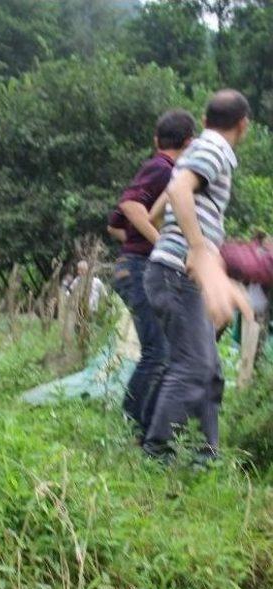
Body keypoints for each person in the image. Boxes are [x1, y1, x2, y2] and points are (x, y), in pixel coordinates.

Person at [143, 89, 253, 464]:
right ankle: (157, 452)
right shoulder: (215, 148)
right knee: (194, 367)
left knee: (210, 371)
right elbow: (176, 190)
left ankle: (206, 454)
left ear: (204, 120)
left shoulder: (194, 151)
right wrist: (198, 249)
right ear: (244, 125)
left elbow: (158, 210)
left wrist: (194, 246)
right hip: (178, 275)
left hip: (173, 271)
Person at [108, 109, 196, 439]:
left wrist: (137, 240)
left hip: (133, 266)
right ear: (189, 142)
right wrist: (159, 245)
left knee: (164, 353)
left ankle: (147, 426)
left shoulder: (162, 170)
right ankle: (132, 427)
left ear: (156, 139)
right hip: (140, 269)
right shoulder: (163, 169)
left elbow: (114, 225)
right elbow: (130, 207)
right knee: (158, 353)